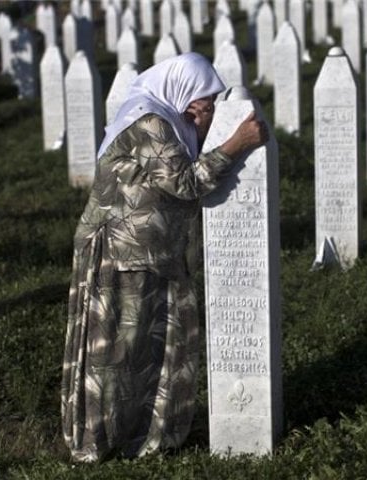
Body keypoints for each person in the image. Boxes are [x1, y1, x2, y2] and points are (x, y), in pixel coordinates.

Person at [60, 52, 268, 463]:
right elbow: (186, 182)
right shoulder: (150, 121)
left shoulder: (169, 120)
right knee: (116, 353)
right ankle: (99, 441)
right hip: (120, 254)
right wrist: (235, 143)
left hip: (154, 252)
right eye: (201, 102)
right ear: (181, 91)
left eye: (207, 105)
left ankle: (146, 435)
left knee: (152, 350)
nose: (201, 112)